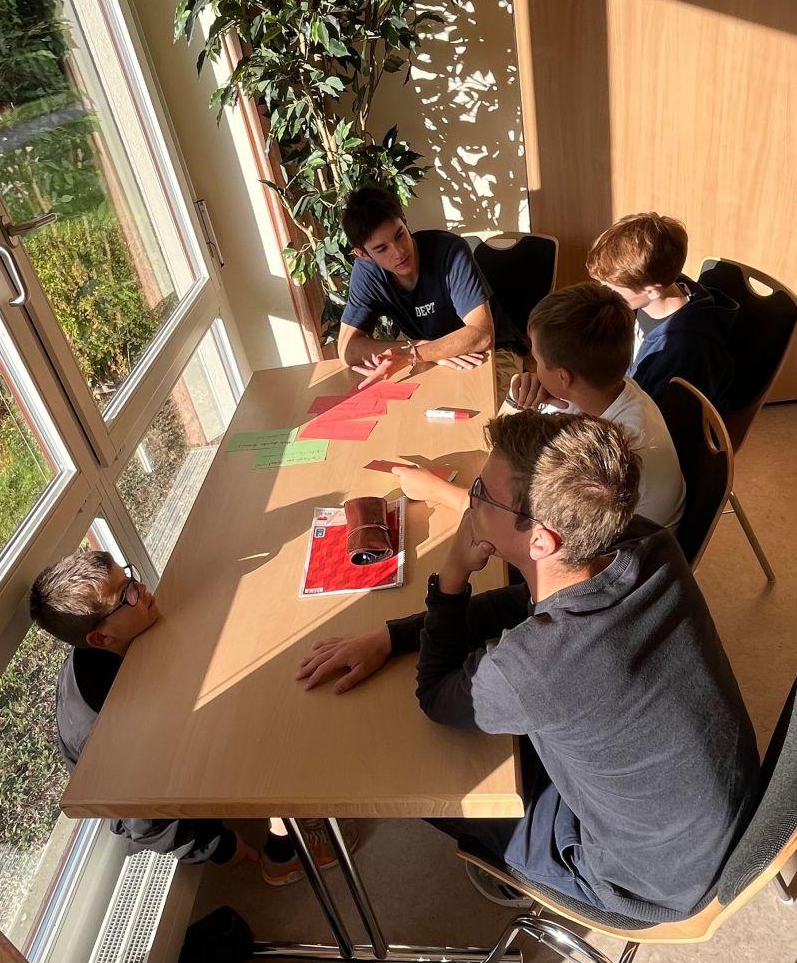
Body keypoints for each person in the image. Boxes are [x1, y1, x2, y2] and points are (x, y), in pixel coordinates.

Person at [296, 411, 760, 920]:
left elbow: (435, 693)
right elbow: (523, 604)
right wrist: (392, 635)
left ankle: (530, 869)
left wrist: (452, 573)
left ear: (541, 541)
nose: (470, 502)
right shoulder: (647, 544)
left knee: (432, 788)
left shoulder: (537, 667)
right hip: (715, 815)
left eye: (481, 493)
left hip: (644, 879)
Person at [31, 550, 347, 886]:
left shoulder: (120, 640)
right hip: (166, 792)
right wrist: (220, 847)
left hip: (170, 733)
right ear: (100, 638)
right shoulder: (104, 732)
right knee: (270, 735)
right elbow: (140, 819)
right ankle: (284, 850)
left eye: (129, 577)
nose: (141, 588)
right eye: (127, 594)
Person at [389, 281, 687, 534]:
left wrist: (434, 490)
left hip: (622, 560)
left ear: (564, 377)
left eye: (538, 361)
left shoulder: (606, 455)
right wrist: (517, 401)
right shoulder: (608, 386)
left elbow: (512, 519)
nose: (533, 368)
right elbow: (497, 448)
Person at [337, 185, 527, 398]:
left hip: (491, 351)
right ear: (363, 254)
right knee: (410, 410)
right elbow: (347, 350)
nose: (399, 251)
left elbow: (482, 336)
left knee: (478, 409)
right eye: (382, 249)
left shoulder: (450, 251)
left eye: (400, 235)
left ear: (405, 222)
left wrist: (414, 353)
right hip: (429, 357)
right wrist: (420, 350)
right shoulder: (366, 273)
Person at [585, 211, 737, 410]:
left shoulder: (684, 352)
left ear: (652, 291)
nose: (603, 291)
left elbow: (663, 419)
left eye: (611, 287)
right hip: (628, 394)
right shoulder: (654, 290)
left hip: (647, 417)